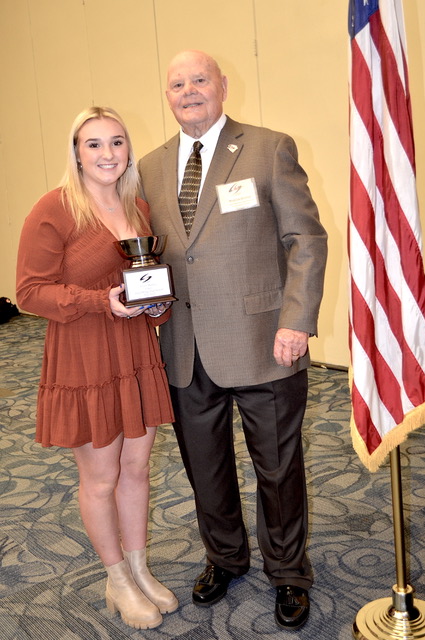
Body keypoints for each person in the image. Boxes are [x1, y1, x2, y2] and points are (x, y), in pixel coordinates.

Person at [138, 50, 327, 631]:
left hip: (266, 342)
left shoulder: (269, 147)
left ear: (222, 86)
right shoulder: (148, 165)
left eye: (200, 80)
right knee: (206, 467)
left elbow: (307, 240)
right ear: (166, 94)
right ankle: (224, 557)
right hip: (185, 347)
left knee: (277, 467)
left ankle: (289, 572)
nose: (189, 90)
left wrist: (296, 320)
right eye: (177, 83)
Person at [16, 106, 178, 630]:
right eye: (94, 144)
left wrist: (158, 306)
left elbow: (149, 277)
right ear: (77, 153)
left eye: (116, 142)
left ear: (128, 149)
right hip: (84, 354)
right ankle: (115, 579)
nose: (107, 154)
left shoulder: (138, 205)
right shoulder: (55, 209)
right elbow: (28, 292)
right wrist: (99, 302)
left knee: (136, 471)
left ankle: (138, 568)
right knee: (102, 476)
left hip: (135, 351)